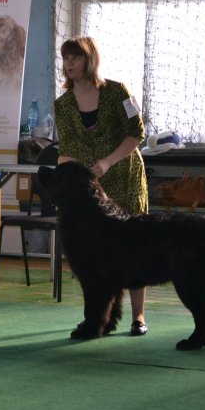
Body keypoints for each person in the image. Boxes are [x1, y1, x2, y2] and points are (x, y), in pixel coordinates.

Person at [53, 36, 149, 336]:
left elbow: (137, 132)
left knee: (135, 247)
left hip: (125, 177)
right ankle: (100, 317)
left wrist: (108, 162)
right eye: (66, 58)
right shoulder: (62, 104)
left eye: (76, 57)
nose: (69, 63)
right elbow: (67, 148)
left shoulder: (118, 92)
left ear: (90, 59)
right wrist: (64, 181)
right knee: (97, 256)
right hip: (91, 187)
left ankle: (139, 316)